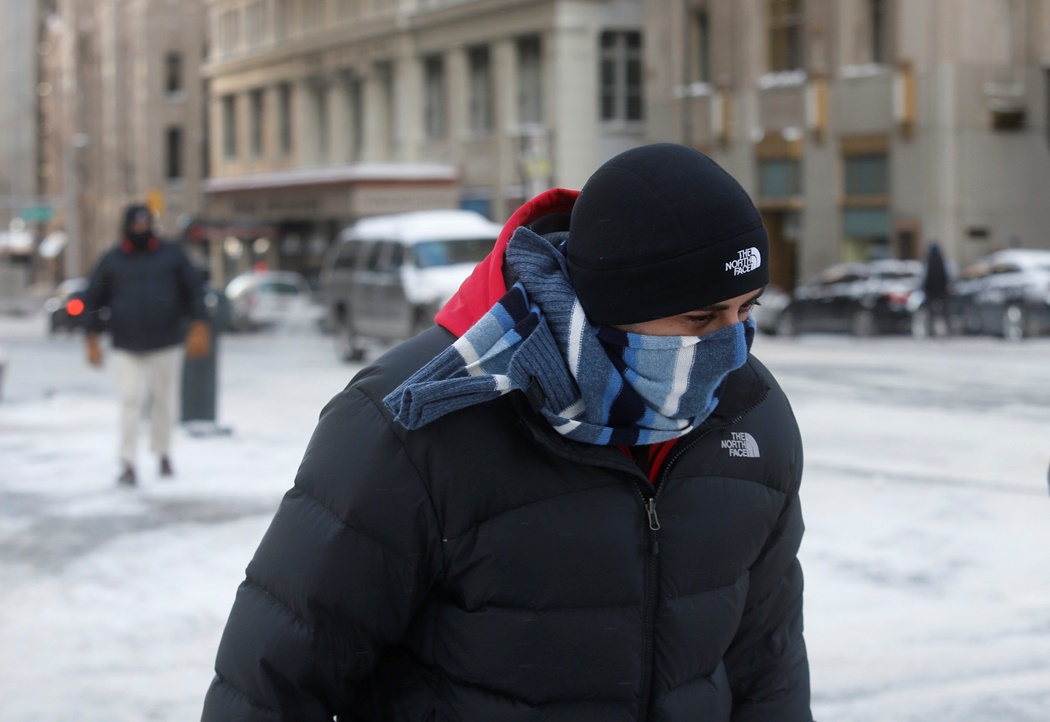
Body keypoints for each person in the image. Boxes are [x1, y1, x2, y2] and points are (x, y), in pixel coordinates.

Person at [201, 144, 812, 721]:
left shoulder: (749, 414)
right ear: (610, 302)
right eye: (700, 317)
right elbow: (272, 682)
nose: (730, 347)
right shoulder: (418, 418)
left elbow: (767, 664)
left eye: (746, 309)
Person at [82, 204, 211, 486]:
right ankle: (127, 461)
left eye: (145, 224)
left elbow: (194, 290)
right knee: (131, 399)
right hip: (126, 344)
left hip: (167, 342)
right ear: (127, 226)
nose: (141, 229)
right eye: (135, 225)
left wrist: (200, 324)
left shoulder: (172, 254)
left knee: (164, 401)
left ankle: (163, 453)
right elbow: (92, 298)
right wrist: (91, 337)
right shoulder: (112, 260)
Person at [920, 242, 953, 337]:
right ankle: (947, 329)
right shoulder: (945, 261)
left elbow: (922, 276)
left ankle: (930, 330)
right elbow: (952, 274)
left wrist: (923, 288)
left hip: (930, 290)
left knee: (931, 312)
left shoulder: (927, 261)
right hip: (943, 289)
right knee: (945, 312)